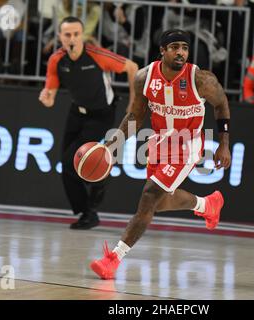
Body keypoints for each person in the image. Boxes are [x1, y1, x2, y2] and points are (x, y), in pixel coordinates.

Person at [90, 29, 232, 280]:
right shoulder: (144, 77)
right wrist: (112, 145)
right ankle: (207, 204)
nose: (181, 52)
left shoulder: (201, 79)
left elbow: (221, 104)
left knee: (148, 197)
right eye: (175, 47)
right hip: (158, 142)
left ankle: (113, 258)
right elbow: (135, 116)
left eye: (185, 48)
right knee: (160, 202)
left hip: (187, 144)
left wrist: (224, 143)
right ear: (162, 51)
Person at [39, 16, 138, 230]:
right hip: (77, 112)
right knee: (66, 166)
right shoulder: (57, 60)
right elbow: (51, 94)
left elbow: (132, 67)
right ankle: (88, 211)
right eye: (67, 35)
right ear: (60, 37)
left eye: (76, 34)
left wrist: (133, 101)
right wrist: (46, 97)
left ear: (82, 35)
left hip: (101, 114)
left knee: (71, 161)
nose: (72, 38)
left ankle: (96, 190)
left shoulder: (96, 55)